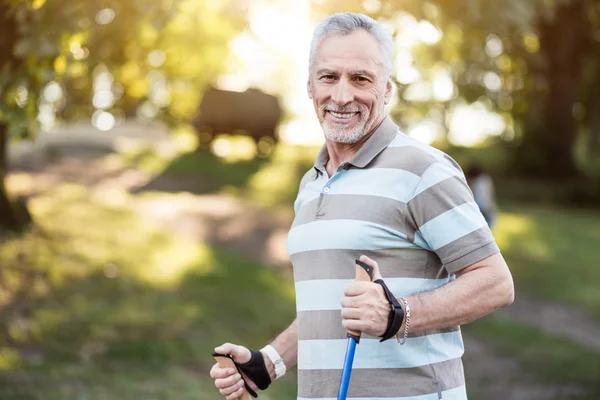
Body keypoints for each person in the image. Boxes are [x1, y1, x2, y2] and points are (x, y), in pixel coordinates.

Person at [210, 12, 514, 400]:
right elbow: (329, 307)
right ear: (309, 86)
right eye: (328, 77)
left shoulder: (424, 170)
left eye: (360, 79)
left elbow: (495, 282)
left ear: (387, 89)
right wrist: (268, 362)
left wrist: (398, 314)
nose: (341, 95)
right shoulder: (311, 183)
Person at [465, 163, 497, 229]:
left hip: (481, 208)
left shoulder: (476, 181)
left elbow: (479, 197)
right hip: (488, 207)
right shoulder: (486, 179)